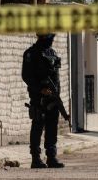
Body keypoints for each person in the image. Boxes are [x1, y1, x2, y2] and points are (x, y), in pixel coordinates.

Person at [22, 33, 65, 169]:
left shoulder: (52, 53)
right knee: (38, 127)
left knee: (52, 127)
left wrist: (57, 93)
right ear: (43, 38)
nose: (52, 41)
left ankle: (51, 157)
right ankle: (36, 158)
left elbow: (56, 76)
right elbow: (26, 76)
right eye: (50, 38)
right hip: (38, 97)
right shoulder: (31, 53)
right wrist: (40, 89)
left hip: (53, 97)